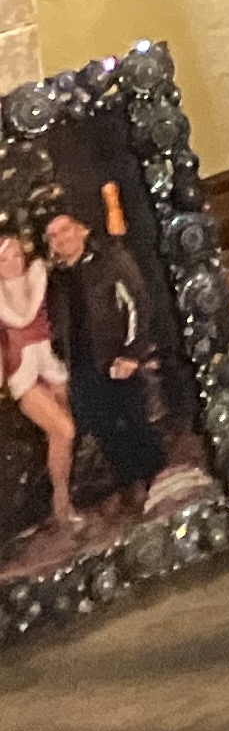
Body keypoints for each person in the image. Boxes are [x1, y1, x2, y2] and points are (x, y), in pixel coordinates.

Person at [37, 211, 165, 513]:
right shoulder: (55, 279)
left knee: (133, 419)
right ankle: (130, 482)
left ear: (82, 230)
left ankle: (156, 476)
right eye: (53, 236)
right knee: (103, 428)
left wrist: (132, 353)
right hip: (82, 367)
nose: (61, 239)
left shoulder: (110, 261)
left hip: (116, 359)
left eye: (65, 230)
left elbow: (137, 303)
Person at [0, 229, 77, 547]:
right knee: (64, 430)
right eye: (4, 259)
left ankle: (64, 498)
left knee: (60, 440)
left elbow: (40, 310)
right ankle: (60, 502)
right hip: (24, 373)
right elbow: (19, 318)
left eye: (17, 255)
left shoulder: (36, 273)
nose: (13, 263)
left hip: (50, 364)